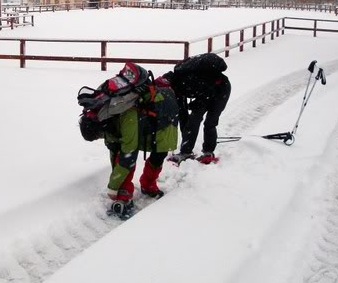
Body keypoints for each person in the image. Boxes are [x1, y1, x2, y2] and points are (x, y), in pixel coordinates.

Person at [79, 63, 178, 217]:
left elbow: (128, 154)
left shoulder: (127, 115)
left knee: (158, 154)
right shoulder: (99, 111)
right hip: (137, 119)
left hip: (163, 118)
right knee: (119, 149)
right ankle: (125, 193)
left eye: (99, 136)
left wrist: (113, 185)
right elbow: (115, 152)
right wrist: (117, 189)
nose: (102, 138)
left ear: (101, 127)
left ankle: (148, 184)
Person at [164, 52, 231, 165]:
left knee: (210, 122)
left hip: (221, 90)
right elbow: (183, 115)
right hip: (205, 92)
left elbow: (208, 88)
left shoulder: (188, 78)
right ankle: (186, 152)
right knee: (193, 121)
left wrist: (196, 103)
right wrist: (186, 131)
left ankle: (208, 153)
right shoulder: (178, 88)